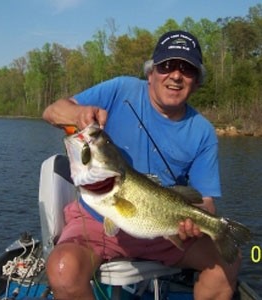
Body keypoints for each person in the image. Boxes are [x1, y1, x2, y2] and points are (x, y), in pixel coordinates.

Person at [42, 30, 241, 300]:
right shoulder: (120, 89)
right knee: (63, 270)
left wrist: (196, 222)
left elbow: (206, 203)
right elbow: (52, 112)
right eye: (167, 65)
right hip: (97, 220)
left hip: (165, 227)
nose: (175, 75)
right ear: (151, 72)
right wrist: (78, 113)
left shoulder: (203, 132)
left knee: (227, 261)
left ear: (196, 82)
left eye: (187, 68)